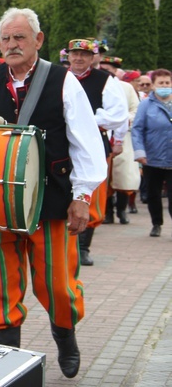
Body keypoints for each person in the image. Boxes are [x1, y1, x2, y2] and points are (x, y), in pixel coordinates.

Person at [0, 8, 106, 379]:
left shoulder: (62, 81)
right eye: (6, 39)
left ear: (38, 40)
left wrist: (82, 196)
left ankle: (66, 337)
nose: (12, 44)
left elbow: (86, 143)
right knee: (1, 290)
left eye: (20, 37)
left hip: (51, 202)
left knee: (57, 284)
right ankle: (9, 364)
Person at [66, 39, 128, 265]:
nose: (79, 58)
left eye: (84, 54)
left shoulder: (106, 81)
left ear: (93, 58)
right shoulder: (59, 78)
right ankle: (64, 242)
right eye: (75, 54)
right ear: (68, 56)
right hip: (62, 144)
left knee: (93, 193)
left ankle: (83, 246)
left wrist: (85, 121)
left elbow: (118, 114)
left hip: (94, 143)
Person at [99, 56, 141, 224]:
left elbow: (135, 109)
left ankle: (122, 210)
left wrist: (123, 119)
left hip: (122, 136)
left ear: (115, 71)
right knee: (105, 178)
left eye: (109, 69)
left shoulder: (125, 88)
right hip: (102, 136)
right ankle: (107, 211)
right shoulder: (96, 84)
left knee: (122, 178)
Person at [132, 68, 172, 237]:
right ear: (154, 85)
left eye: (167, 83)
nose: (164, 86)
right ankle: (156, 223)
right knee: (153, 193)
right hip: (152, 157)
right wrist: (140, 152)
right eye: (161, 83)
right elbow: (137, 129)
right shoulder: (146, 105)